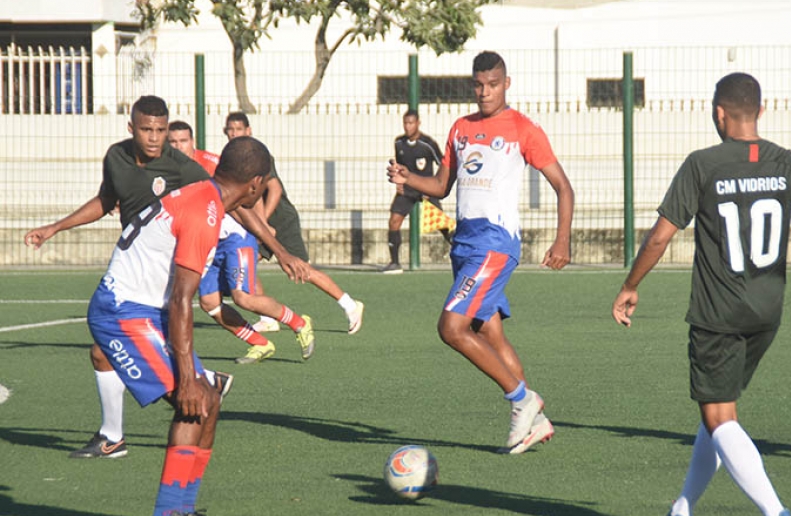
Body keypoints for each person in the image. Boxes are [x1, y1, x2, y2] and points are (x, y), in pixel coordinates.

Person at [611, 73, 791, 516]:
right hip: (767, 313)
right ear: (760, 109)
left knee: (720, 418)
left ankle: (776, 513)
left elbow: (659, 238)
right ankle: (683, 507)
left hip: (718, 315)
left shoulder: (703, 164)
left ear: (719, 113)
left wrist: (630, 285)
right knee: (715, 413)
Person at [387, 51, 574, 454]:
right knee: (489, 332)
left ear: (507, 83)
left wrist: (563, 239)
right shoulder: (461, 128)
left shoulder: (523, 129)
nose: (485, 92)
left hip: (495, 243)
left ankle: (523, 401)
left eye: (493, 84)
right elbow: (441, 186)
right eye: (478, 84)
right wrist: (408, 180)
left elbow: (564, 186)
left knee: (451, 328)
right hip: (465, 243)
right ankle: (535, 422)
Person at [24, 96, 231, 459]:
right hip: (134, 270)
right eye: (147, 129)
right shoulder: (116, 157)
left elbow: (223, 199)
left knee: (185, 391)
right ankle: (112, 437)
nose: (154, 138)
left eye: (161, 130)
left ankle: (201, 391)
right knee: (104, 352)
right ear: (131, 127)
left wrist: (278, 247)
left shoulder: (183, 169)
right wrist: (55, 227)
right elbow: (106, 199)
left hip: (159, 280)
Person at [86, 135, 272, 516]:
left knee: (210, 400)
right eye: (264, 183)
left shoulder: (207, 196)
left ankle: (182, 510)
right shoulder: (206, 209)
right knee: (196, 401)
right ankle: (168, 514)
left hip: (143, 310)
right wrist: (187, 378)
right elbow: (180, 300)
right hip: (122, 312)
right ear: (255, 184)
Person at [168, 121, 316, 364]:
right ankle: (260, 343)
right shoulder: (165, 170)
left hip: (235, 238)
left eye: (182, 141)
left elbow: (241, 203)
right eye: (172, 142)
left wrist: (270, 237)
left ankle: (299, 323)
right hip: (206, 243)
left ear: (192, 142)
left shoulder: (209, 166)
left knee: (243, 297)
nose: (177, 146)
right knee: (210, 304)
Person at [222, 112, 365, 335]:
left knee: (301, 269)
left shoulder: (259, 155)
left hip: (281, 220)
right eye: (230, 129)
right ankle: (266, 317)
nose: (234, 133)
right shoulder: (232, 157)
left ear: (248, 131)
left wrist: (263, 224)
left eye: (238, 129)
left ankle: (350, 305)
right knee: (247, 260)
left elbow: (275, 189)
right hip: (259, 223)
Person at [382, 109, 452, 274]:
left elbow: (443, 165)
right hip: (407, 190)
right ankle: (395, 263)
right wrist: (398, 181)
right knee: (394, 221)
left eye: (411, 123)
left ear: (418, 123)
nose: (408, 126)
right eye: (405, 123)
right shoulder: (399, 143)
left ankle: (464, 253)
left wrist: (435, 185)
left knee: (442, 224)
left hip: (426, 189)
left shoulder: (428, 144)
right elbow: (400, 166)